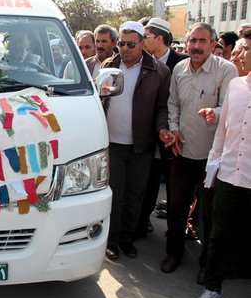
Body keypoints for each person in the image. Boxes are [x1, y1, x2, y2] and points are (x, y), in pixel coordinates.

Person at [159, 23, 238, 275]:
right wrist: (173, 128)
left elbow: (230, 108)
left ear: (213, 45)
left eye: (202, 41)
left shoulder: (227, 70)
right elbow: (172, 104)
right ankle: (173, 253)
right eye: (192, 40)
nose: (195, 46)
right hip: (181, 151)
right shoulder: (180, 68)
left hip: (213, 156)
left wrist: (214, 113)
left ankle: (207, 265)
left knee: (208, 214)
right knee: (176, 207)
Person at [189, 28, 251, 298]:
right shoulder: (236, 87)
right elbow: (223, 133)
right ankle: (213, 290)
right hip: (228, 175)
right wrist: (212, 171)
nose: (236, 54)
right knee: (217, 235)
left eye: (243, 50)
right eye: (236, 49)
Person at [101, 21, 171, 260]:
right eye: (121, 43)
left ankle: (127, 239)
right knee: (116, 195)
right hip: (113, 144)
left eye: (131, 44)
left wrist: (162, 128)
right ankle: (111, 240)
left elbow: (163, 107)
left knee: (135, 196)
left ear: (143, 43)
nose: (125, 48)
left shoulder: (159, 71)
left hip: (141, 146)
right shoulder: (109, 66)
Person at [136, 18, 188, 238]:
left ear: (159, 38)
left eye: (145, 37)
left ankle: (176, 234)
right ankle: (141, 223)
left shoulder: (182, 63)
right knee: (147, 182)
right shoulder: (142, 62)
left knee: (177, 189)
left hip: (177, 137)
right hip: (150, 135)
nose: (142, 42)